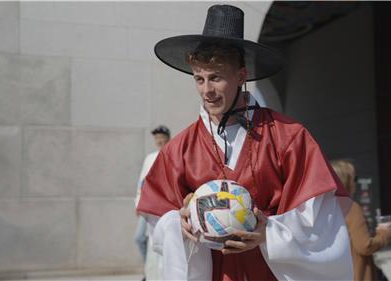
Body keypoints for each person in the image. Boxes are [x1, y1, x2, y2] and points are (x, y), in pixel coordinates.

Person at [136, 4, 354, 280]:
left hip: (269, 272)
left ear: (241, 76)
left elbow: (321, 218)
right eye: (199, 79)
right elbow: (158, 217)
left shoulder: (288, 136)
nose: (207, 91)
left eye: (216, 78)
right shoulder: (179, 149)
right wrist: (178, 223)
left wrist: (269, 233)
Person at [331, 159, 391, 281]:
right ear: (345, 181)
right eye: (355, 179)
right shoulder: (351, 207)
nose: (356, 183)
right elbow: (364, 246)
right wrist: (384, 234)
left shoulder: (324, 208)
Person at [134, 125, 170, 281]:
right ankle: (149, 271)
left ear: (167, 138)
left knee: (161, 242)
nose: (159, 140)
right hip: (147, 206)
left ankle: (160, 274)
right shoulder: (150, 158)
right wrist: (138, 203)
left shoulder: (171, 154)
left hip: (163, 207)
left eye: (161, 137)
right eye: (157, 138)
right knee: (140, 238)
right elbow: (142, 182)